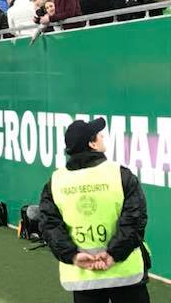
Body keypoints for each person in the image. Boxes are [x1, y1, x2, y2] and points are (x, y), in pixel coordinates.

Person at [39, 117, 151, 303]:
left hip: (83, 277)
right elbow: (135, 219)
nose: (103, 137)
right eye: (99, 135)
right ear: (92, 144)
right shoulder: (120, 175)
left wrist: (72, 255)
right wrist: (113, 254)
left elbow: (49, 225)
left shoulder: (56, 182)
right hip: (125, 274)